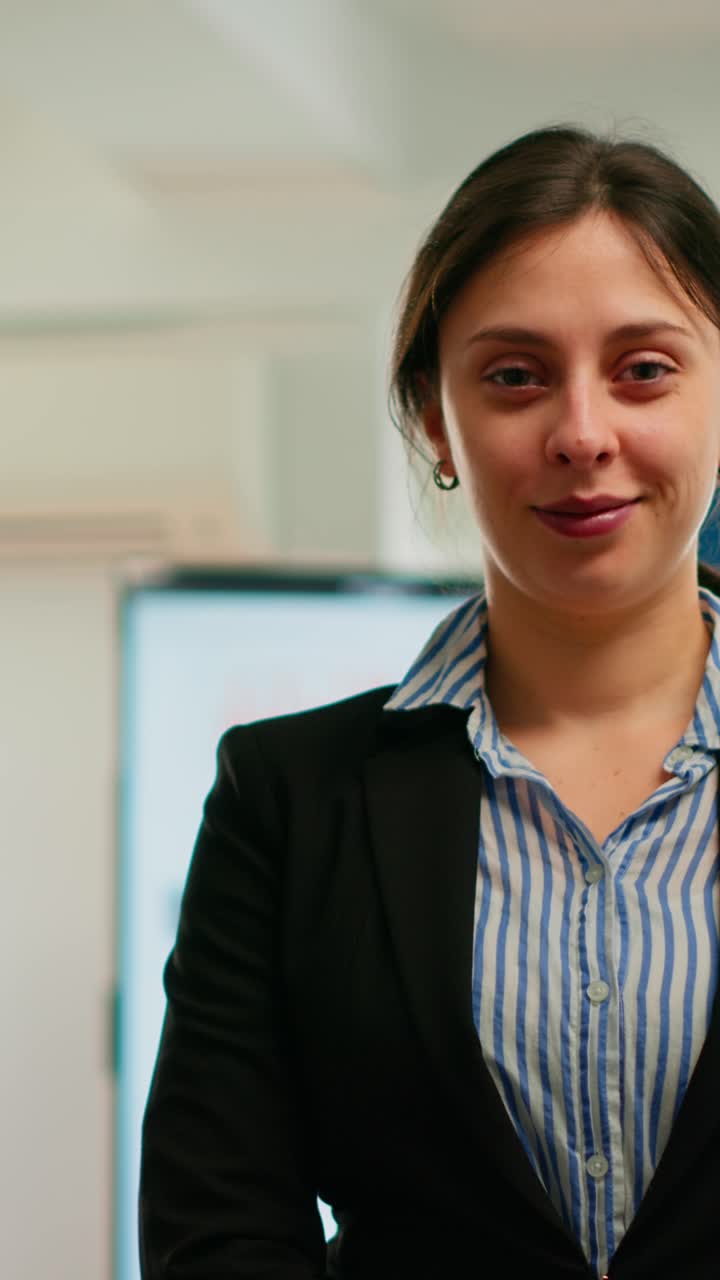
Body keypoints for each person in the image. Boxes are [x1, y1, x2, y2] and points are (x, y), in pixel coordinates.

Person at [138, 125, 720, 1279]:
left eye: (644, 367)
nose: (582, 432)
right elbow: (220, 1230)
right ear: (434, 417)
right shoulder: (288, 798)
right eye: (515, 374)